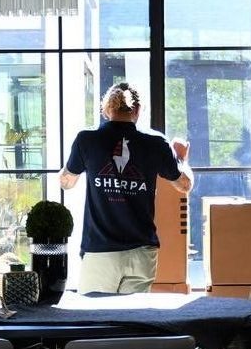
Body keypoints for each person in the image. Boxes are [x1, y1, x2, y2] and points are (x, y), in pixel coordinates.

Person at [59, 82, 194, 294]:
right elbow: (184, 185)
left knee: (95, 321)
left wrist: (73, 165)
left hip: (100, 251)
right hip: (141, 252)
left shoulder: (87, 140)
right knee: (133, 322)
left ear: (106, 109)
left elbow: (66, 183)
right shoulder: (156, 143)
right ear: (138, 110)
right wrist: (182, 159)